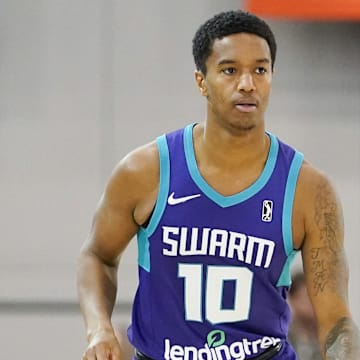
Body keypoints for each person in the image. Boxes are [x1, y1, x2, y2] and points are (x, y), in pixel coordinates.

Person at [77, 10, 360, 360]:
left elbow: (335, 318)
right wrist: (99, 327)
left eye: (260, 70)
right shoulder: (145, 171)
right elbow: (97, 255)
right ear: (201, 81)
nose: (247, 83)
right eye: (230, 70)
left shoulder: (309, 190)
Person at [288, 271, 321, 360]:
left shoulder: (328, 339)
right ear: (292, 299)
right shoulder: (280, 338)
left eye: (317, 297)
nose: (314, 303)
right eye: (308, 297)